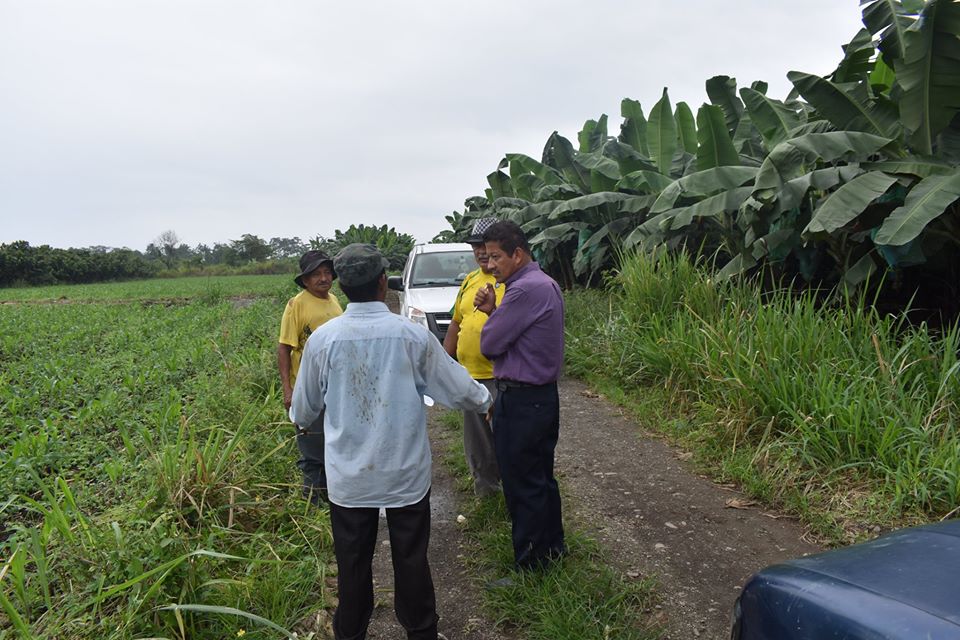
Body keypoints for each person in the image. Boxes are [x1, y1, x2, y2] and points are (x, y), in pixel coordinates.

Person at [290, 243, 491, 640]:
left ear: (342, 286)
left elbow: (303, 410)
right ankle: (421, 631)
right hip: (405, 475)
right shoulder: (412, 337)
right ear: (384, 282)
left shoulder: (323, 341)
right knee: (411, 560)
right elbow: (457, 388)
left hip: (349, 480)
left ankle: (351, 632)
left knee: (352, 565)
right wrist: (486, 400)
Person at [473, 220, 566, 571]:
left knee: (521, 482)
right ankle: (552, 550)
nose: (490, 264)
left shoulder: (524, 290)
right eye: (487, 256)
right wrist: (495, 312)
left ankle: (530, 564)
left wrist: (491, 317)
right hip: (539, 397)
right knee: (540, 477)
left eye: (496, 256)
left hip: (523, 401)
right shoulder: (542, 283)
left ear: (518, 254)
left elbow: (490, 344)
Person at [442, 217, 504, 497]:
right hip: (471, 377)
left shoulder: (508, 280)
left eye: (485, 245)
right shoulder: (469, 280)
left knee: (506, 438)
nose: (480, 251)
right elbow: (456, 323)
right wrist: (444, 364)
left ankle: (514, 493)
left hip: (501, 376)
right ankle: (487, 496)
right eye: (476, 246)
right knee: (478, 444)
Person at [278, 250, 342, 503]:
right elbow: (284, 347)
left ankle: (332, 499)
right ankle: (312, 505)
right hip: (308, 389)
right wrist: (288, 389)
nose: (323, 278)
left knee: (334, 446)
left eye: (327, 272)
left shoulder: (334, 301)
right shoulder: (297, 305)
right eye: (316, 274)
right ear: (305, 280)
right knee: (312, 450)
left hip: (335, 388)